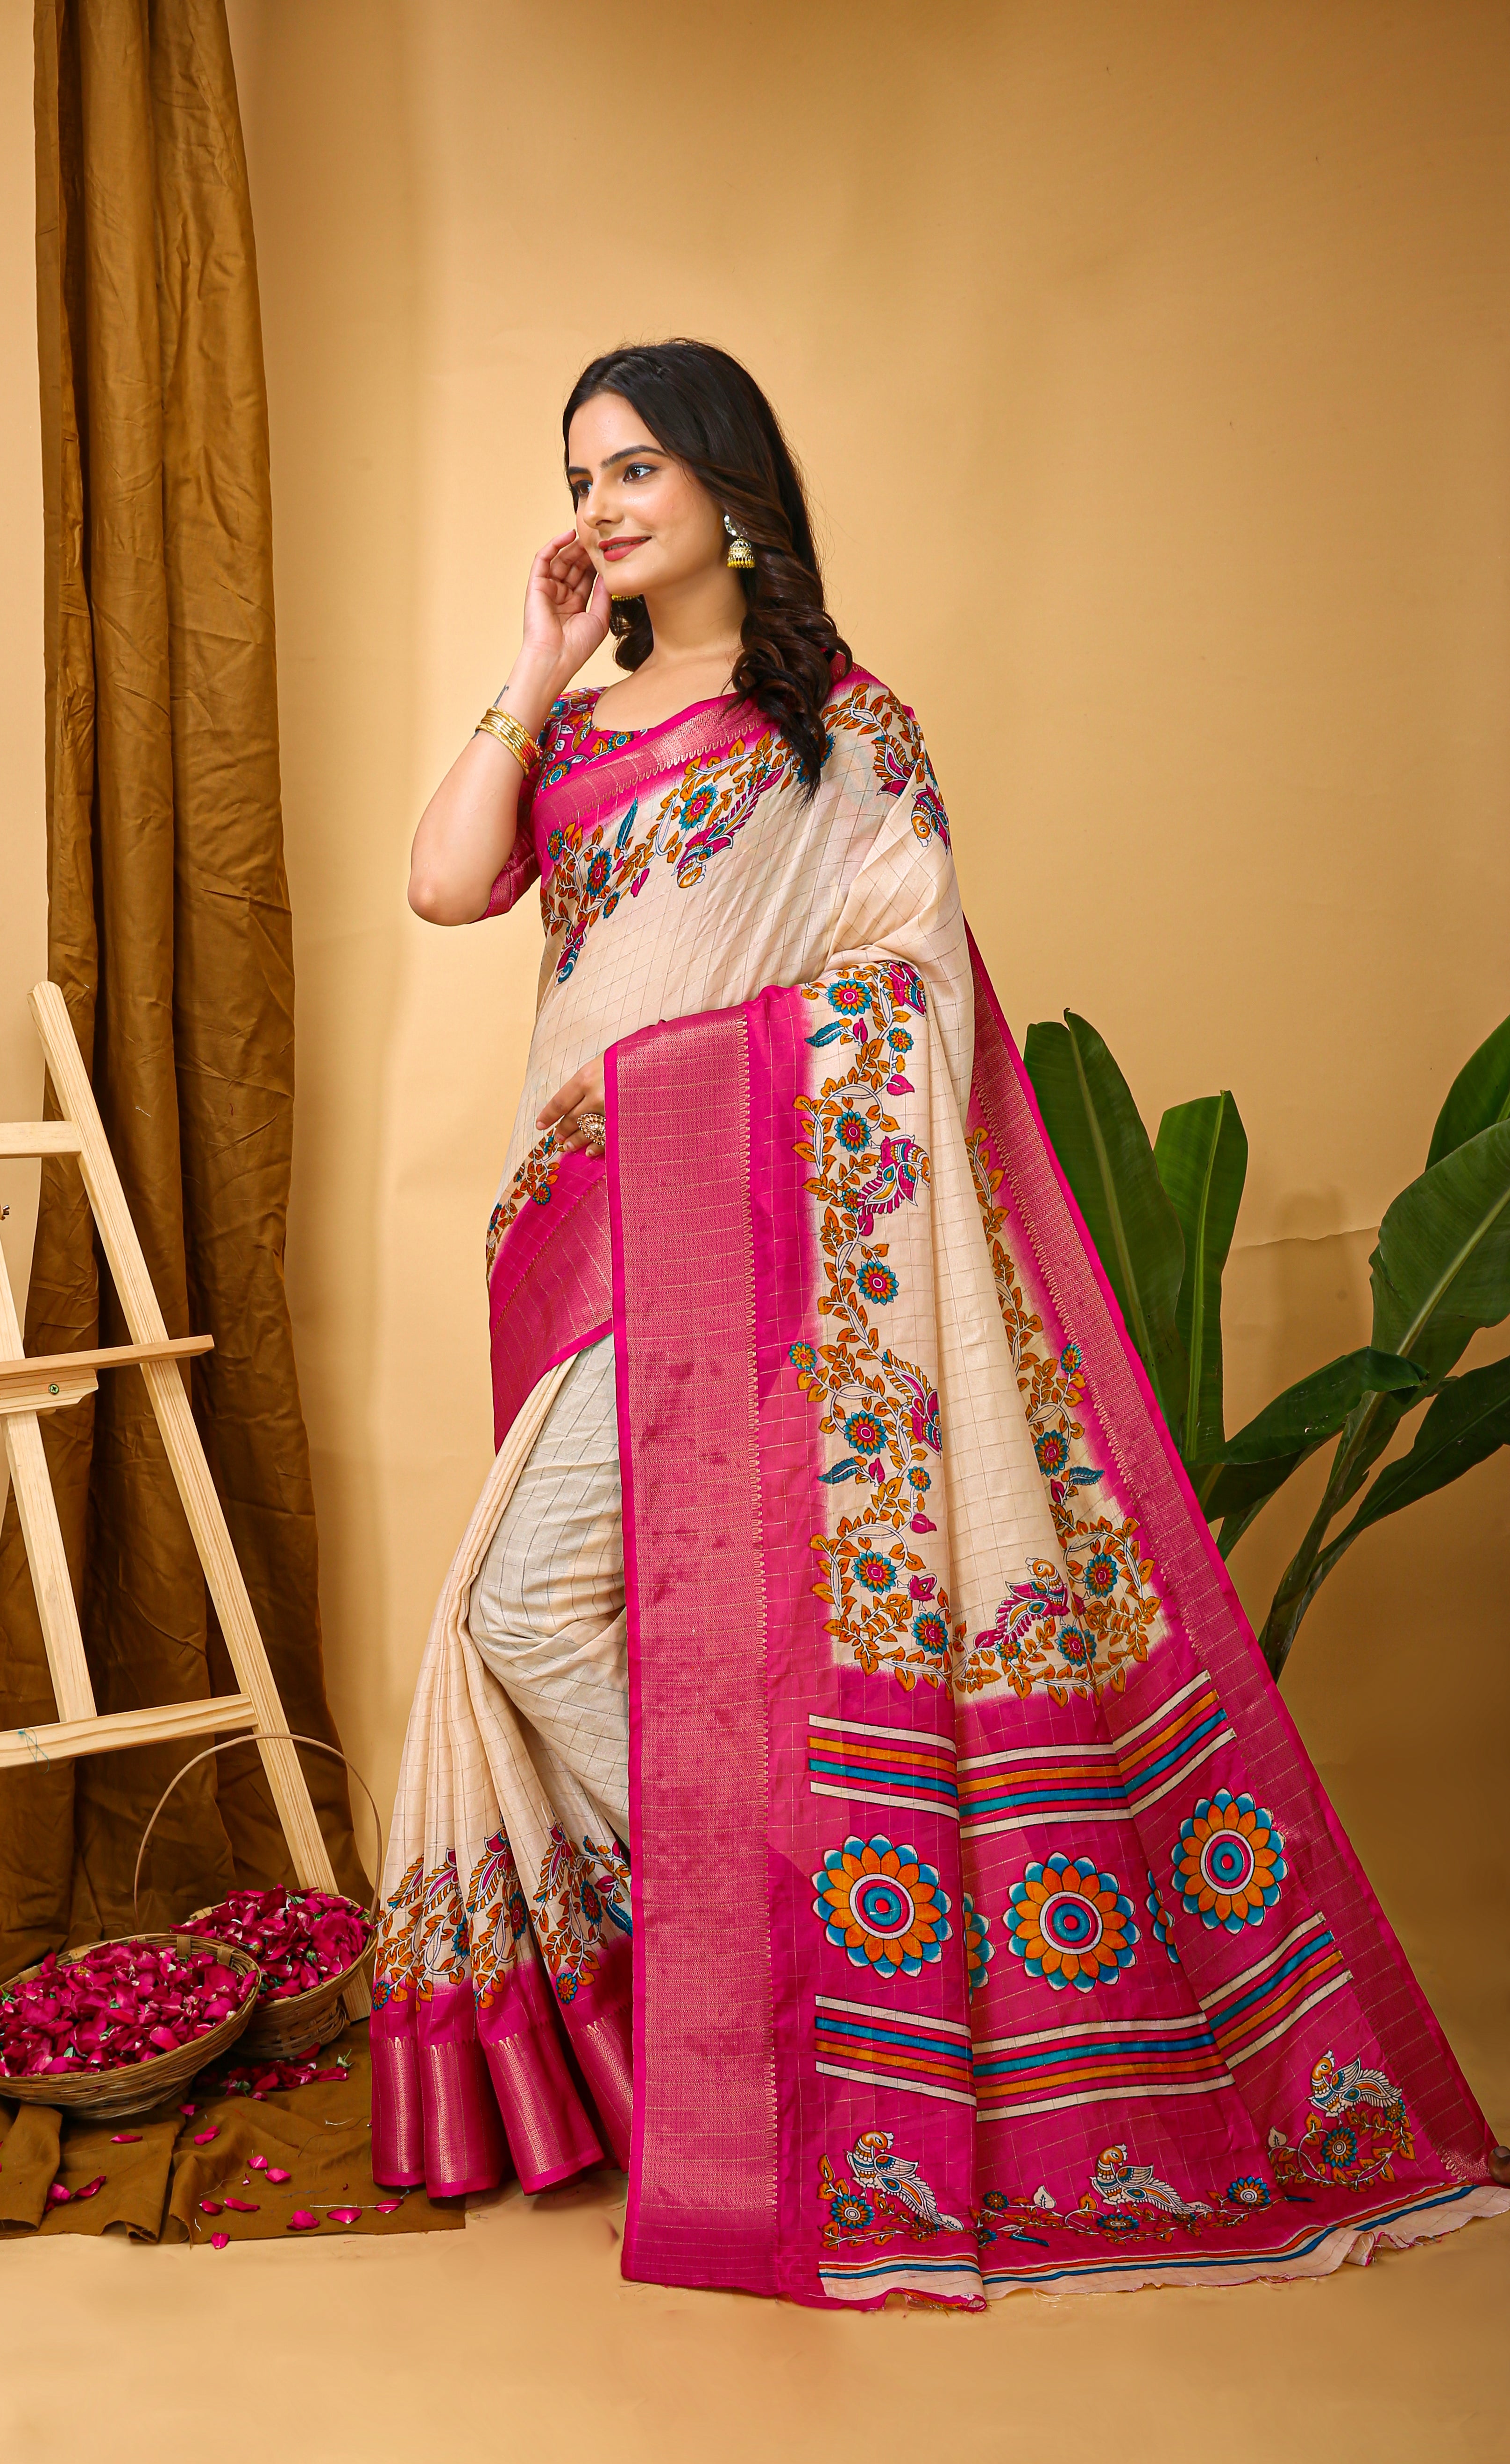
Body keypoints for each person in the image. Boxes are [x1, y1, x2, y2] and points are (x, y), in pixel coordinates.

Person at [371, 338, 1506, 2307]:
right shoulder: (572, 728)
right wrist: (531, 656)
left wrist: (714, 1080)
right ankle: (799, 1982)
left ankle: (812, 1966)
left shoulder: (844, 733)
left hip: (735, 1238)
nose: (602, 507)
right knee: (609, 1620)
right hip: (573, 1235)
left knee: (528, 1610)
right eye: (580, 476)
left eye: (637, 468)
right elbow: (443, 881)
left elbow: (909, 996)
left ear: (732, 487)